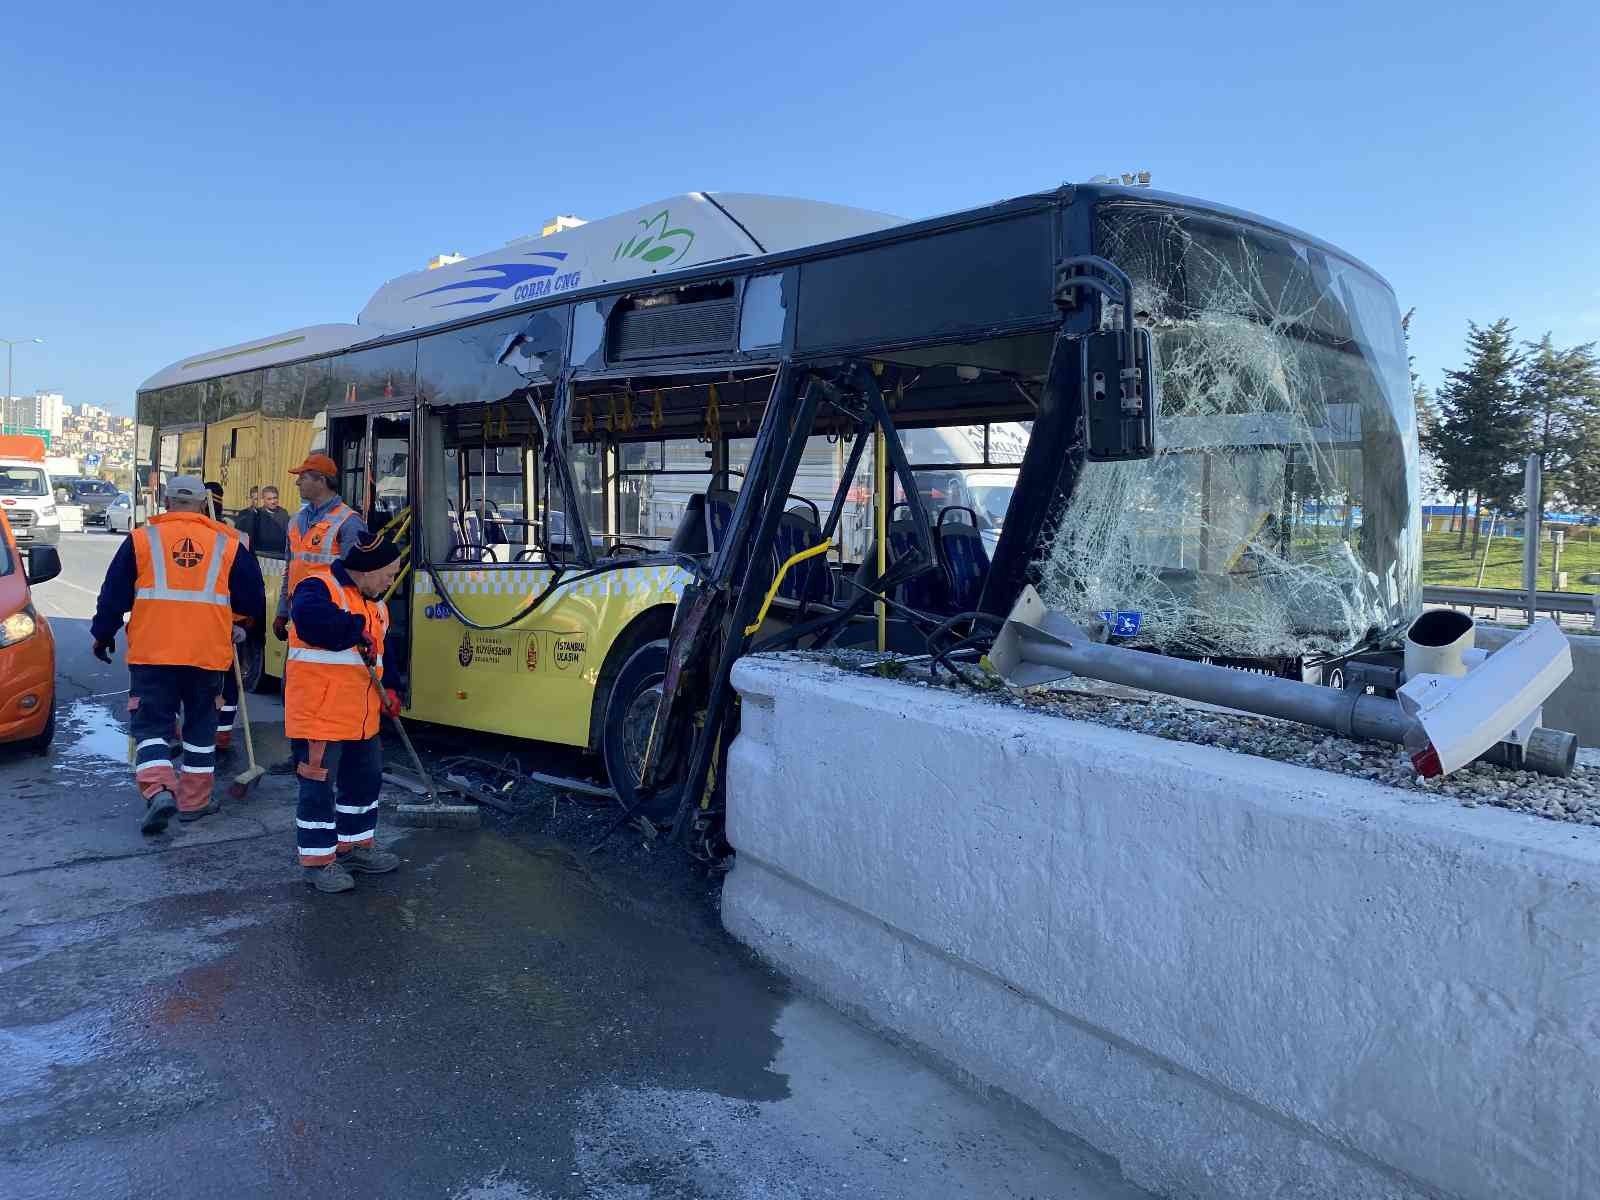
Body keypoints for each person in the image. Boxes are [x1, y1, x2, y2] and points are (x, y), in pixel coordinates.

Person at [91, 475, 266, 834]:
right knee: (201, 728)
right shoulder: (227, 544)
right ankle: (194, 802)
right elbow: (253, 596)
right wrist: (245, 628)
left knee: (152, 726)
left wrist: (102, 634)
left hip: (153, 653)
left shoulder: (142, 540)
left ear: (166, 502)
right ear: (204, 504)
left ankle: (158, 790)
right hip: (206, 654)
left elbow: (113, 594)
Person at [287, 534, 403, 893]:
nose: (390, 581)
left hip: (363, 716)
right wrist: (355, 629)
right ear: (367, 570)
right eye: (388, 573)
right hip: (320, 716)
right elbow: (309, 620)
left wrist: (394, 687)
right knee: (318, 789)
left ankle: (354, 846)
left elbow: (384, 654)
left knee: (364, 782)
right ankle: (319, 862)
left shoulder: (376, 605)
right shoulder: (319, 587)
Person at [273, 455, 366, 642]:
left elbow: (357, 579)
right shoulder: (295, 521)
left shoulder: (349, 522)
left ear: (321, 480)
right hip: (299, 618)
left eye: (303, 477)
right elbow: (290, 571)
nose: (297, 483)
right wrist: (283, 611)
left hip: (331, 620)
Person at [206, 481, 253, 752]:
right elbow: (250, 585)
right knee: (225, 681)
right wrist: (247, 620)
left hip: (220, 621)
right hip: (225, 621)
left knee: (217, 682)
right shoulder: (236, 538)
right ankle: (219, 734)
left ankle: (216, 734)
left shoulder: (233, 538)